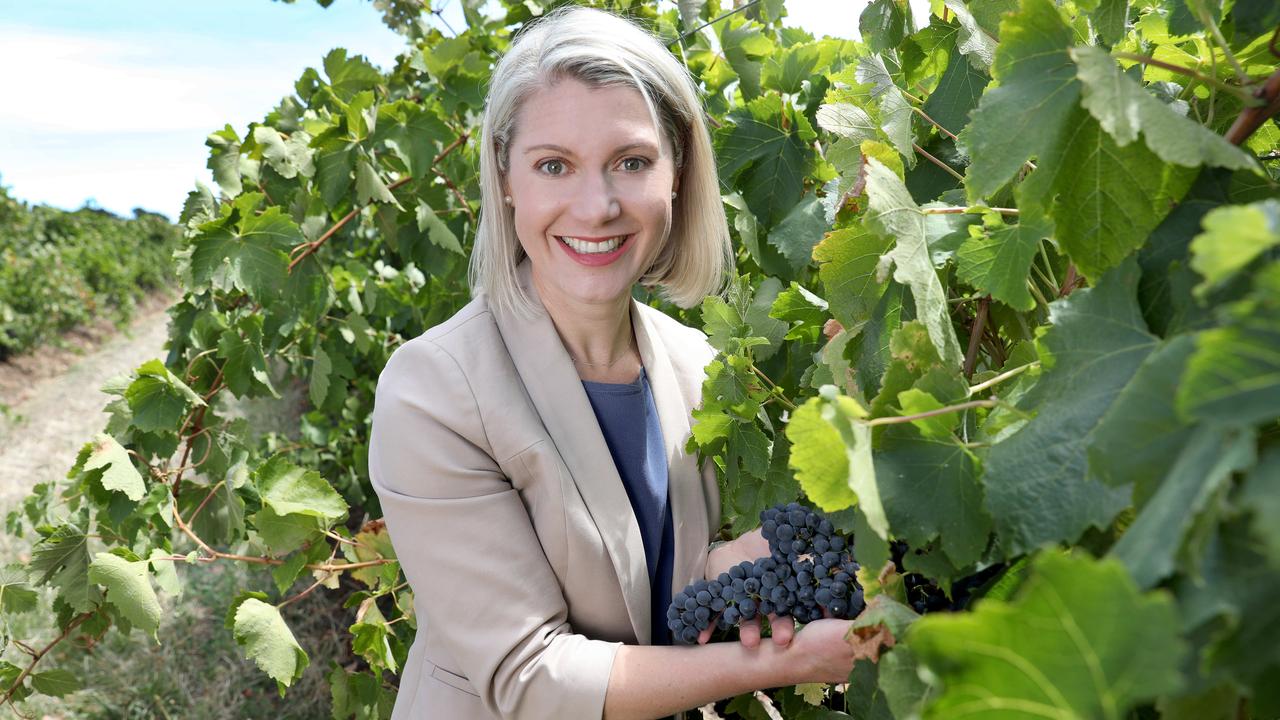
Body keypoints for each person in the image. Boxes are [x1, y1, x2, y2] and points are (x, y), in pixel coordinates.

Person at [368, 7, 858, 719]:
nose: (596, 207)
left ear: (677, 173)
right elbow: (532, 675)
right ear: (505, 177)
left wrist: (732, 568)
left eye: (631, 162)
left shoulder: (697, 364)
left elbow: (648, 590)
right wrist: (798, 658)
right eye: (553, 165)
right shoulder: (435, 390)